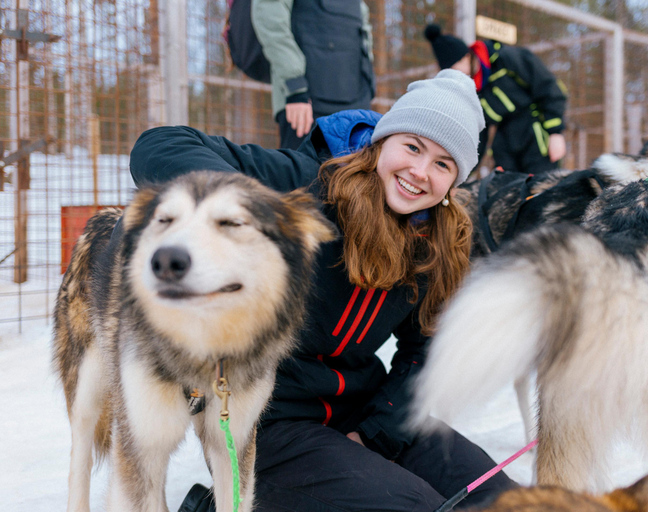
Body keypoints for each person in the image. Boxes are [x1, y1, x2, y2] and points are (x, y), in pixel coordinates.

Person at [130, 69, 517, 512]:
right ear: (383, 141)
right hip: (269, 414)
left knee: (501, 501)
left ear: (455, 181)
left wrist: (375, 432)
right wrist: (250, 206)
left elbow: (425, 353)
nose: (419, 171)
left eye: (442, 164)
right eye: (412, 146)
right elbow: (158, 145)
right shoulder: (311, 183)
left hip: (362, 405)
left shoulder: (440, 241)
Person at [424, 23, 568, 175]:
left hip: (535, 135)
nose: (455, 75)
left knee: (541, 188)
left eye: (454, 68)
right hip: (505, 142)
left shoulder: (507, 59)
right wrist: (459, 174)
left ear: (466, 57)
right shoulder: (471, 91)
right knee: (506, 190)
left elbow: (548, 87)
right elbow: (478, 135)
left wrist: (555, 133)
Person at [252, 0, 375, 150]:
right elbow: (271, 20)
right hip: (305, 100)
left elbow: (361, 22)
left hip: (356, 98)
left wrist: (368, 83)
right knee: (303, 170)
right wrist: (295, 87)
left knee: (356, 171)